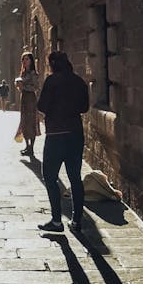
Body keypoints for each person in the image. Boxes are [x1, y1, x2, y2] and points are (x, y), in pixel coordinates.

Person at [36, 50, 89, 233]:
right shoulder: (79, 81)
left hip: (56, 135)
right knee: (75, 178)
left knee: (50, 177)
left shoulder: (52, 81)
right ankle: (76, 221)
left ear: (52, 64)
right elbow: (85, 107)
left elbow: (41, 106)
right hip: (75, 133)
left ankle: (57, 220)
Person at [14, 52, 41, 157]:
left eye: (27, 59)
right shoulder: (23, 73)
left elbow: (35, 87)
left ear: (31, 61)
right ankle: (27, 146)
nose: (25, 61)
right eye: (23, 60)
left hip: (31, 100)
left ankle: (32, 148)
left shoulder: (33, 73)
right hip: (24, 99)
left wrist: (23, 87)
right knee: (24, 122)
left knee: (31, 122)